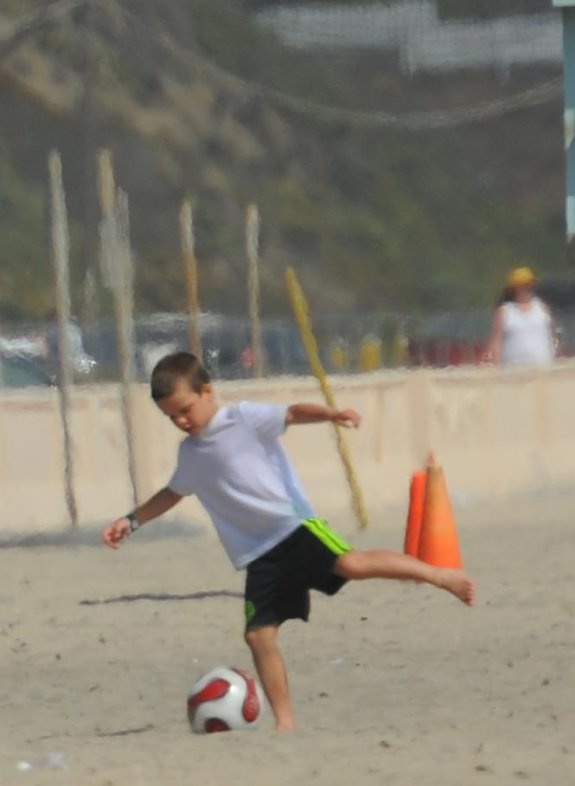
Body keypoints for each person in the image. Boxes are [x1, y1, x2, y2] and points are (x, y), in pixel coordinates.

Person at [102, 352, 476, 732]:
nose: (181, 422)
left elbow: (293, 413)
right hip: (259, 555)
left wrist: (332, 414)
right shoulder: (190, 453)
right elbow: (173, 493)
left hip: (294, 526)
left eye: (185, 410)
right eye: (171, 418)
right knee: (258, 636)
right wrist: (132, 521)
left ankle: (441, 576)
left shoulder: (243, 419)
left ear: (208, 392)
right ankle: (286, 722)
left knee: (352, 564)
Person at [486, 267, 557, 367]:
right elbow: (496, 341)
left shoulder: (541, 307)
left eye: (530, 284)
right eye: (524, 285)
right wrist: (496, 365)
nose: (528, 288)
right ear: (514, 288)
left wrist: (555, 356)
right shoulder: (505, 311)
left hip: (543, 368)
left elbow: (552, 334)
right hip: (514, 369)